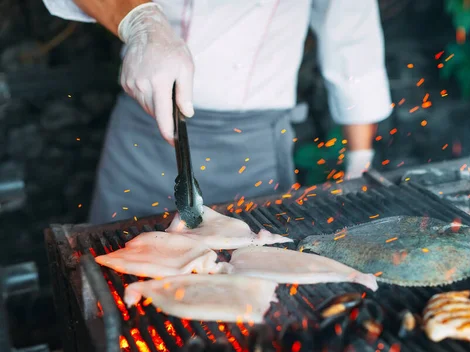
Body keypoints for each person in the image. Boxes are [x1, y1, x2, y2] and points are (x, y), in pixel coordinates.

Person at [43, 0, 393, 224]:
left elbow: (352, 39)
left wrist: (359, 162)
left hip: (251, 148)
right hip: (143, 133)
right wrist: (141, 22)